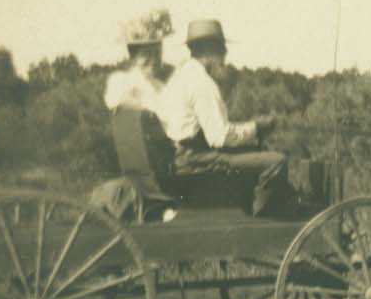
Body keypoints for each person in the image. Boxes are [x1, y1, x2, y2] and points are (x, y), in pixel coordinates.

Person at [157, 19, 291, 217]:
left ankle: (251, 211)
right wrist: (256, 126)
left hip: (185, 157)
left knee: (254, 152)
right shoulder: (202, 83)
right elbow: (219, 137)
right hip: (198, 161)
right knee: (276, 161)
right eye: (220, 48)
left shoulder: (182, 76)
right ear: (205, 49)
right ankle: (266, 224)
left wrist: (253, 129)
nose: (225, 54)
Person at [104, 32, 167, 112]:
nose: (154, 59)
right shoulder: (120, 80)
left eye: (157, 54)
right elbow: (117, 102)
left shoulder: (161, 86)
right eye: (146, 54)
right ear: (133, 58)